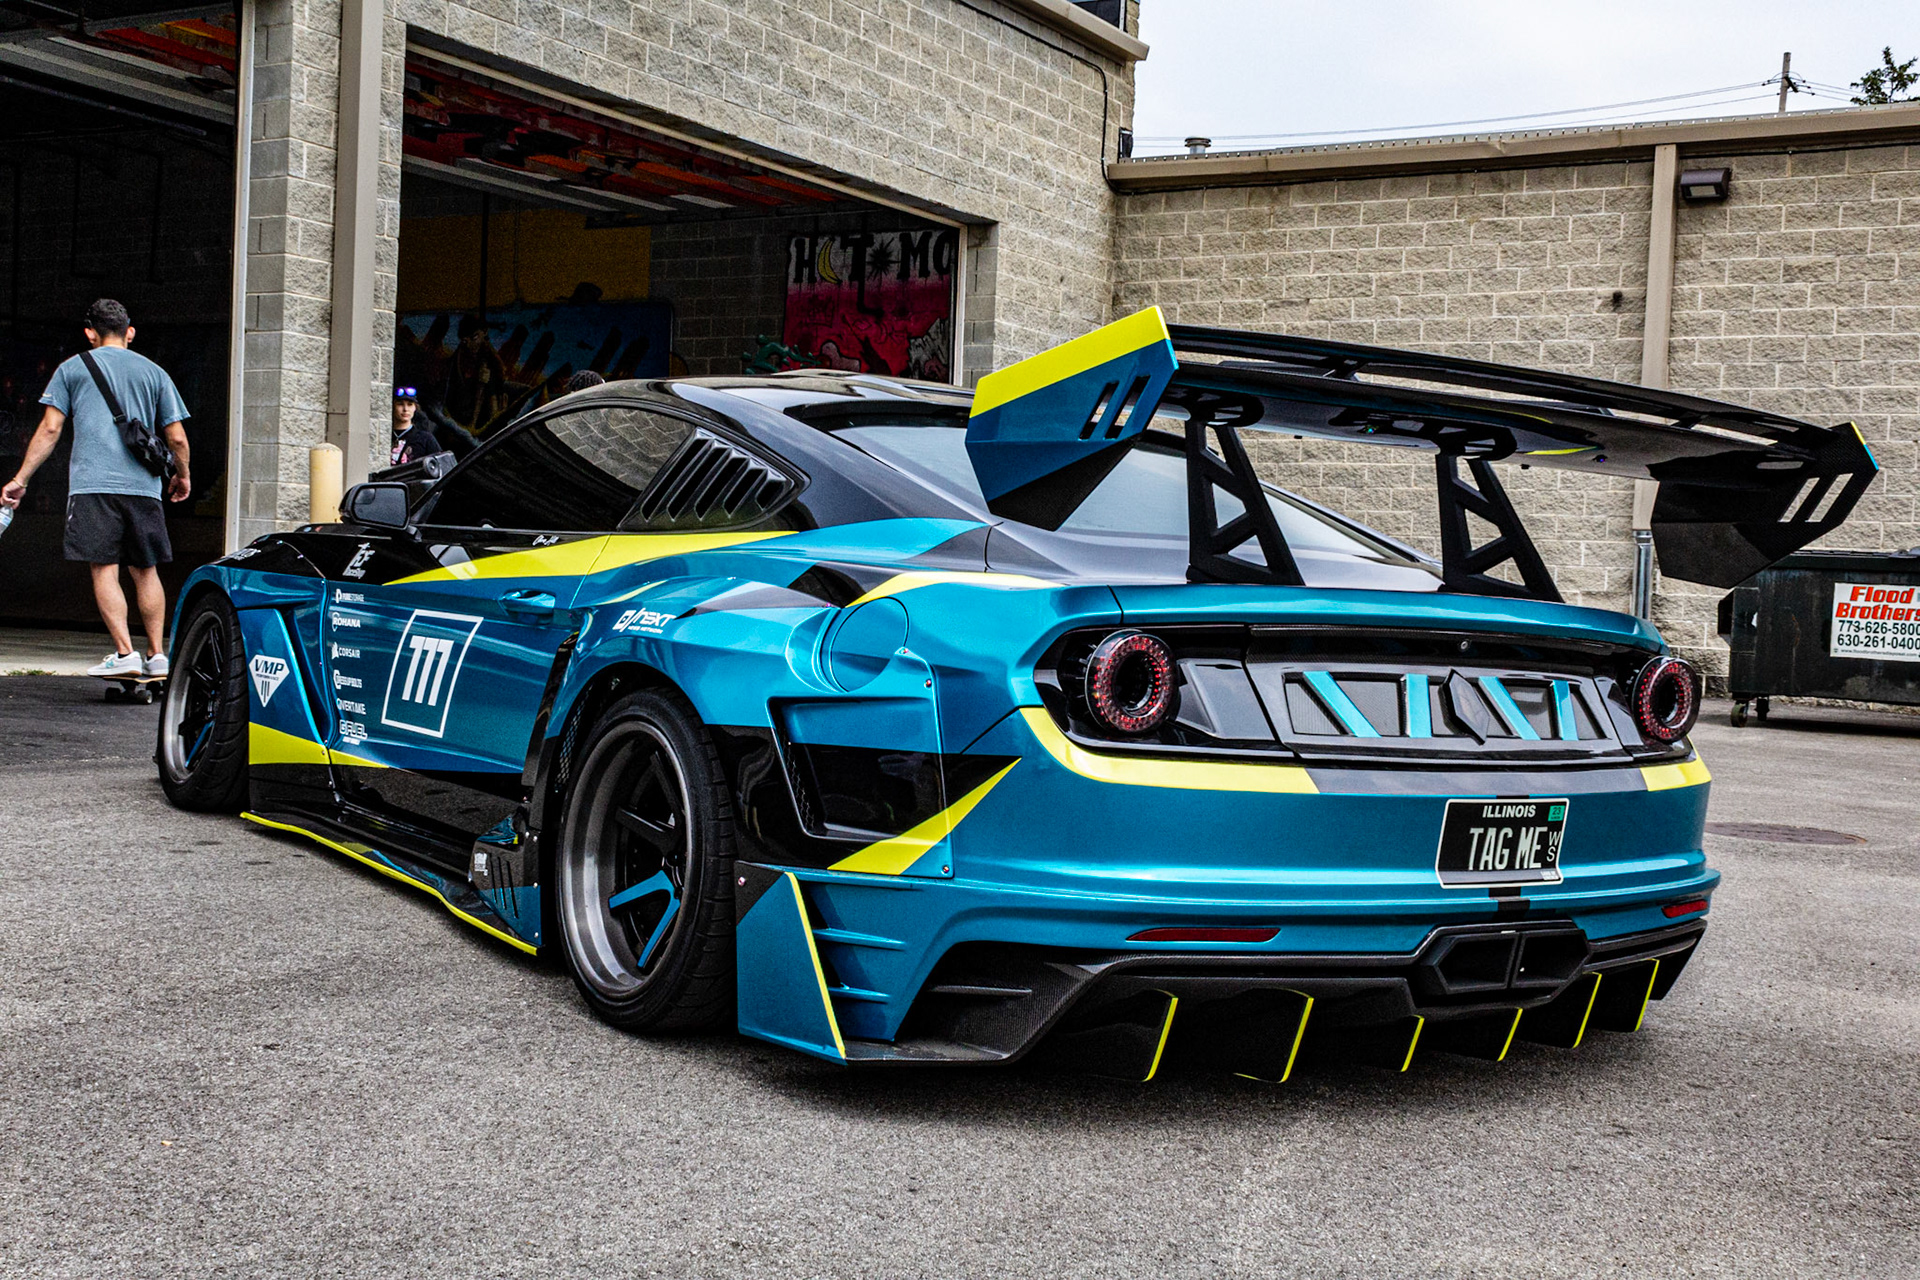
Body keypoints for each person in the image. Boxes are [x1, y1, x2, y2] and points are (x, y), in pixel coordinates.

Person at [0, 299, 191, 678]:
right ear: (129, 332)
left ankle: (125, 654)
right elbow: (177, 438)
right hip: (144, 488)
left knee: (105, 568)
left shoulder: (72, 369)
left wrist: (20, 479)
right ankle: (157, 655)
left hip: (93, 487)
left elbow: (50, 429)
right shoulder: (155, 372)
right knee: (145, 569)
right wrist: (181, 475)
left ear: (90, 333)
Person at [388, 386, 440, 466]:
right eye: (400, 404)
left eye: (410, 405)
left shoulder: (425, 439)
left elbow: (441, 466)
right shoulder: (383, 436)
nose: (405, 409)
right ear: (393, 406)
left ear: (415, 408)